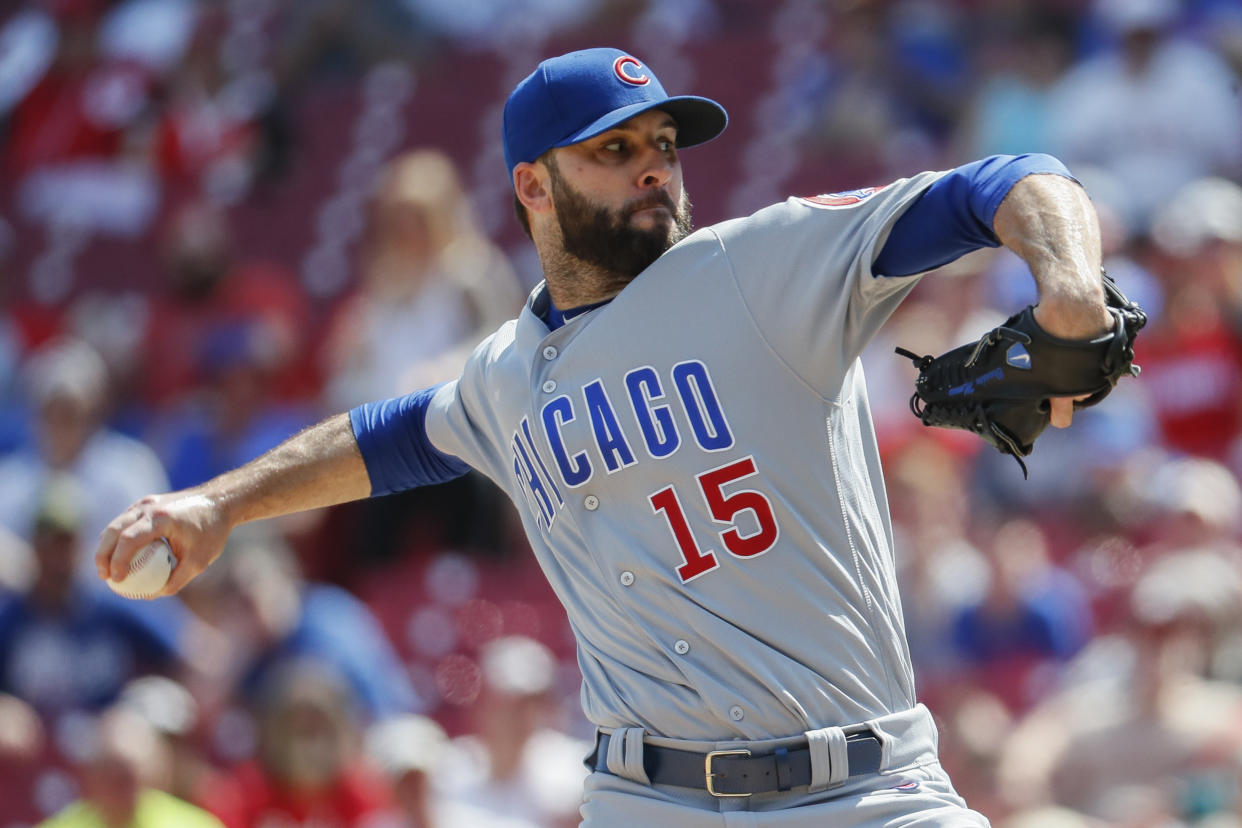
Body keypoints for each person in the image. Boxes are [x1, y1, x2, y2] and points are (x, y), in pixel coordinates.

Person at [97, 47, 1120, 826]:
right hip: (647, 800)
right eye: (615, 149)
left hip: (857, 788)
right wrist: (222, 501)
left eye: (664, 147)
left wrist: (1069, 288)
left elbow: (1005, 181)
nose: (653, 171)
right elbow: (392, 436)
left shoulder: (760, 267)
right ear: (532, 186)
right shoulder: (504, 374)